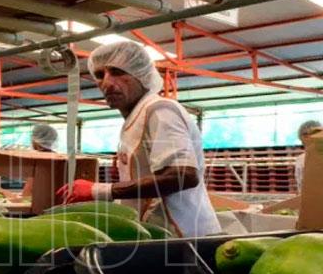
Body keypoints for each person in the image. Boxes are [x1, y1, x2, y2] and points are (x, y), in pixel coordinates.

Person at [56, 41, 219, 238]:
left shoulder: (160, 110)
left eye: (117, 72)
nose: (107, 83)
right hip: (157, 234)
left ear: (141, 74)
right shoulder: (136, 119)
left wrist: (98, 190)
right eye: (99, 75)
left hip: (184, 236)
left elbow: (183, 175)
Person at [294, 120, 322, 193]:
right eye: (305, 135)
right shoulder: (300, 159)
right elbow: (300, 184)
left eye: (313, 134)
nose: (309, 138)